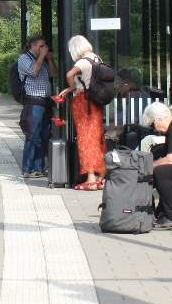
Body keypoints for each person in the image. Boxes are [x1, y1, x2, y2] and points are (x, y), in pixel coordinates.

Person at [58, 35, 107, 191]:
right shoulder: (97, 58)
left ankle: (90, 179)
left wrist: (72, 87)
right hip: (96, 102)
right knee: (97, 138)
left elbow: (69, 75)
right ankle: (100, 177)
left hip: (84, 103)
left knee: (86, 139)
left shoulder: (82, 62)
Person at [16, 35, 57, 178]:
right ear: (32, 46)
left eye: (45, 46)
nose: (44, 49)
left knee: (44, 135)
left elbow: (54, 74)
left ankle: (39, 168)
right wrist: (42, 57)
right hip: (33, 102)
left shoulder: (44, 60)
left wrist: (50, 59)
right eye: (41, 46)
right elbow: (33, 71)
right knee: (33, 136)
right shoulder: (24, 59)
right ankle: (27, 168)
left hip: (45, 102)